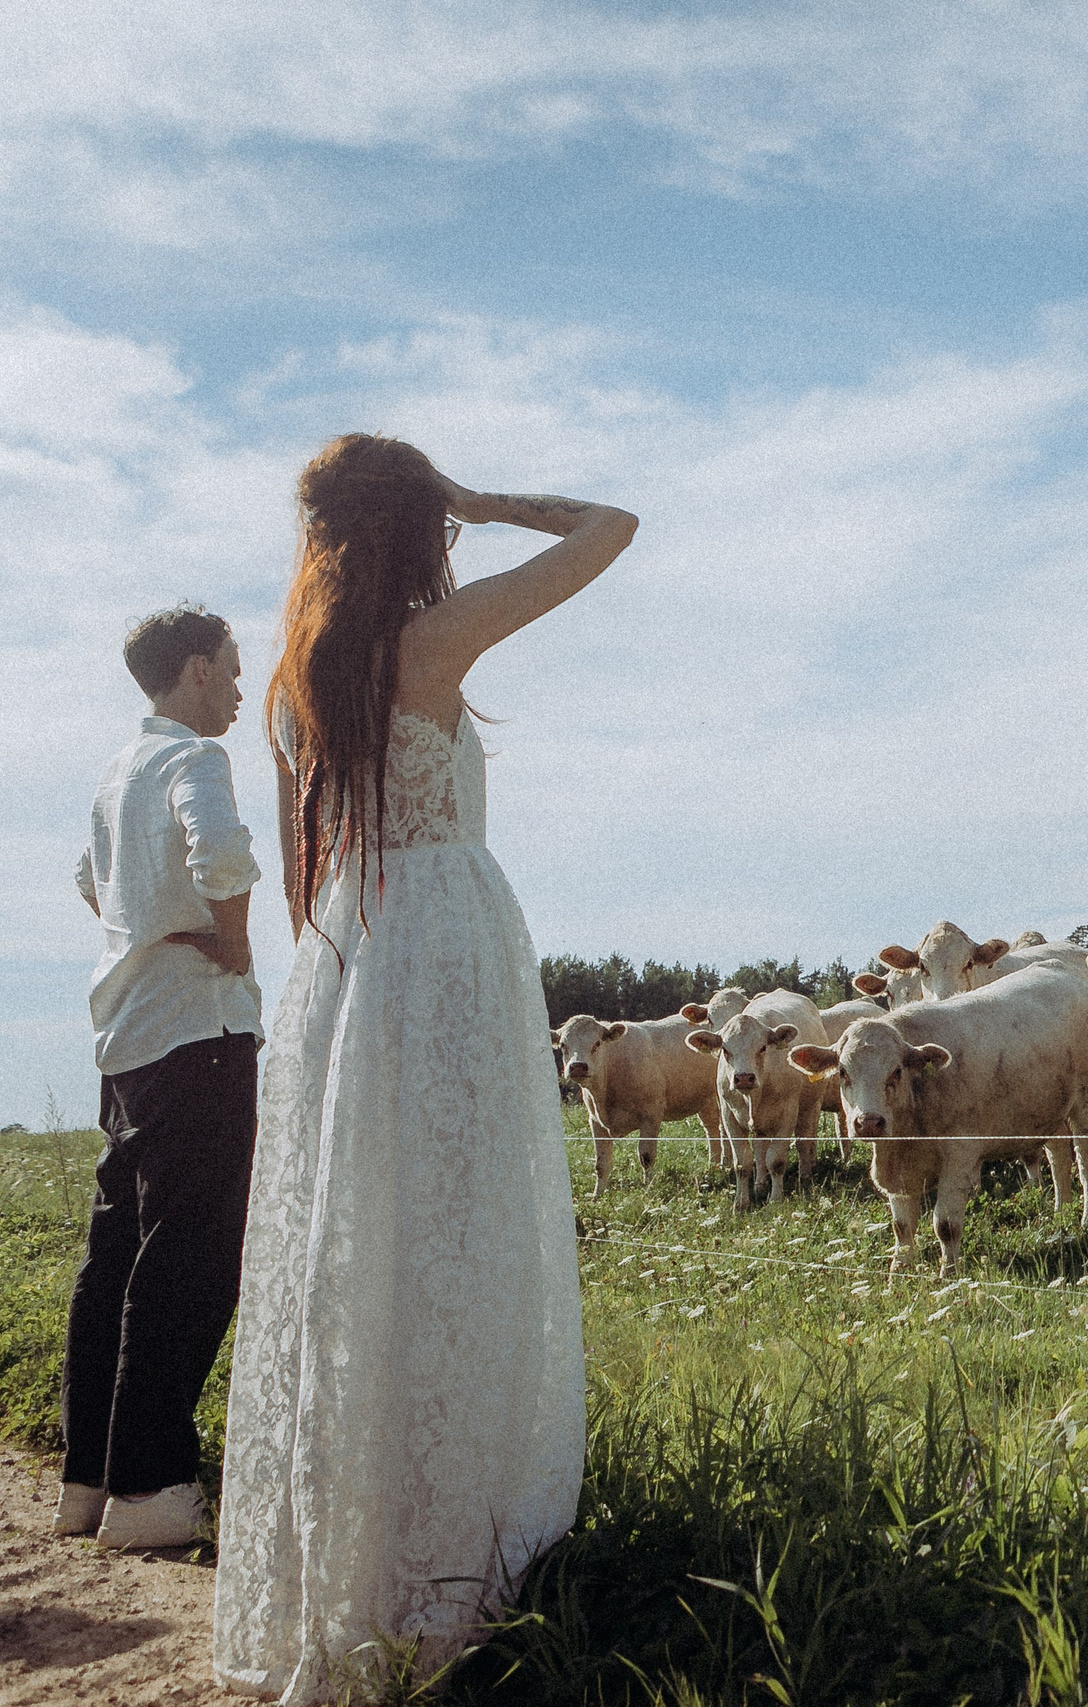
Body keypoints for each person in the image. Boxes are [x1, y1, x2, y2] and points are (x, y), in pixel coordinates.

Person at [211, 435, 636, 1703]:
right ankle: (444, 1567)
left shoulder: (292, 685)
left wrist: (344, 992)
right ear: (417, 525)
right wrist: (484, 499)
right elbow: (611, 526)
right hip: (446, 949)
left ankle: (352, 1560)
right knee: (457, 1244)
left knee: (358, 1258)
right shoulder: (431, 643)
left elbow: (304, 882)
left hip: (345, 963)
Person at [60, 605, 264, 1551]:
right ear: (195, 669)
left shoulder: (117, 772)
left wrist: (138, 933)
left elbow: (87, 879)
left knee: (115, 1255)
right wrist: (233, 938)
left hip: (127, 1044)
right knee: (189, 1256)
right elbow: (220, 851)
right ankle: (152, 1488)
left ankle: (89, 1480)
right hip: (199, 1036)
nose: (239, 686)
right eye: (232, 666)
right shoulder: (195, 758)